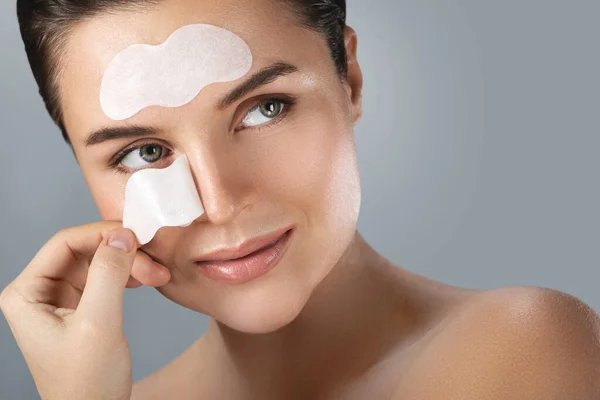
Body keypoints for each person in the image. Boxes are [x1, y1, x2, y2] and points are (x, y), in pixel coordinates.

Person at [2, 0, 599, 399]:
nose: (220, 202)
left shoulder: (520, 352)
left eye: (265, 109)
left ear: (351, 79)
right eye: (144, 153)